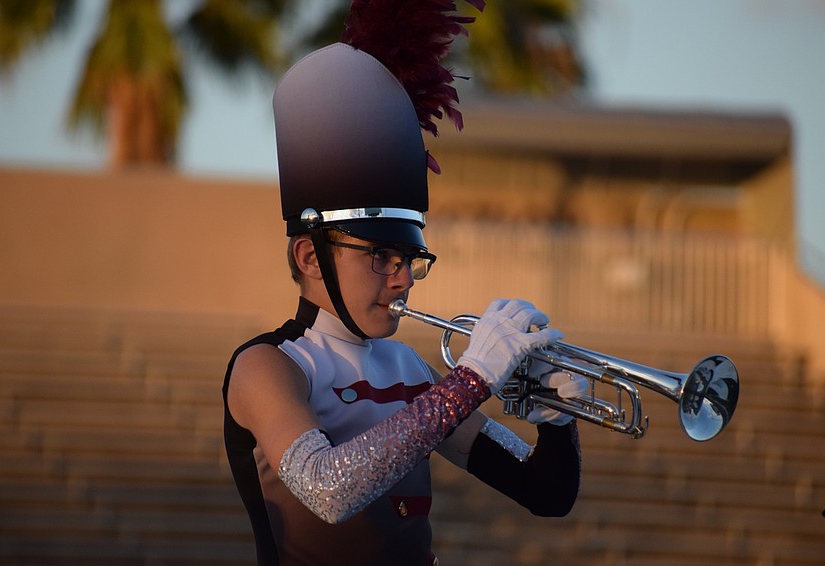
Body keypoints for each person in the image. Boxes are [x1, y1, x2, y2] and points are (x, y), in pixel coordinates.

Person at [222, 2, 585, 564]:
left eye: (410, 259)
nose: (402, 278)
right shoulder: (268, 365)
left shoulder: (410, 369)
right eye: (381, 256)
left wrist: (558, 417)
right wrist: (472, 379)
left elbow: (546, 493)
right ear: (310, 257)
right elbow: (329, 489)